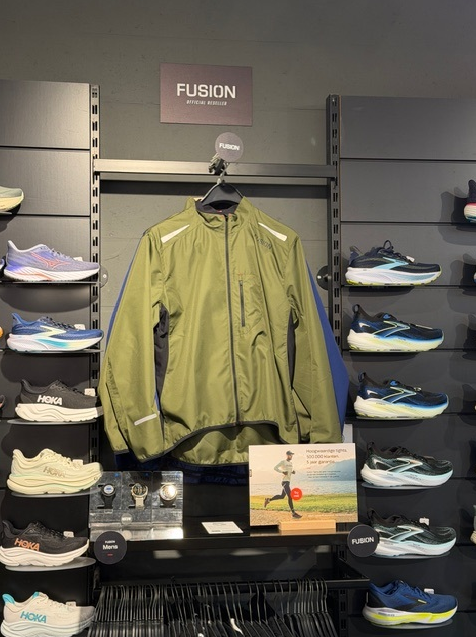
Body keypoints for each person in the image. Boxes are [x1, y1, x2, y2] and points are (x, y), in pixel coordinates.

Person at [264, 450, 302, 519]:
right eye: (290, 455)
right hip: (284, 482)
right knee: (290, 496)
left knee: (282, 496)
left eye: (292, 455)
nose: (291, 456)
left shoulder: (291, 463)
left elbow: (289, 471)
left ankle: (268, 500)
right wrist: (282, 471)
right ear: (287, 455)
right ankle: (293, 513)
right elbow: (275, 468)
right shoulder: (283, 462)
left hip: (288, 482)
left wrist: (292, 472)